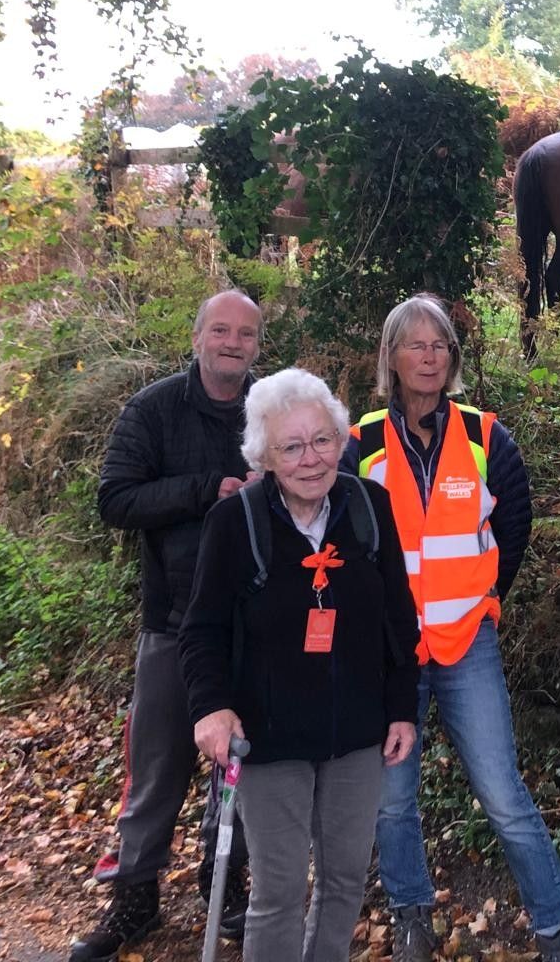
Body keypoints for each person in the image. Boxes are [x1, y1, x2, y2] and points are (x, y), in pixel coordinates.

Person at [341, 293, 560, 962]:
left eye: (440, 344)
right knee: (392, 801)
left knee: (503, 794)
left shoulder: (484, 436)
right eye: (415, 344)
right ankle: (411, 916)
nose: (428, 356)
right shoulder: (359, 442)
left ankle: (554, 927)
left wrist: (484, 596)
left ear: (452, 357)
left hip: (466, 641)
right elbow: (340, 542)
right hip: (391, 653)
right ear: (390, 356)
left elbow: (514, 525)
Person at [180, 368, 420, 960]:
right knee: (279, 892)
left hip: (357, 734)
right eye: (291, 446)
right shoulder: (234, 524)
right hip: (269, 736)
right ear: (264, 456)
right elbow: (202, 630)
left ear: (342, 442)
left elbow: (399, 617)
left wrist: (401, 710)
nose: (311, 459)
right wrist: (211, 707)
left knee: (343, 884)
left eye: (322, 441)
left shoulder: (370, 507)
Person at [71, 290, 262, 962]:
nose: (232, 343)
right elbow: (115, 498)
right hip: (172, 619)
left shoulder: (271, 407)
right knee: (155, 765)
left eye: (244, 334)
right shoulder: (152, 410)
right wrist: (205, 489)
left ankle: (225, 884)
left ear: (257, 345)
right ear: (197, 336)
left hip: (253, 622)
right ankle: (134, 894)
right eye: (220, 330)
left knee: (239, 768)